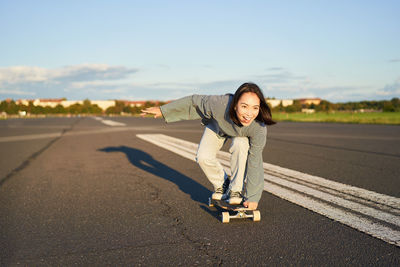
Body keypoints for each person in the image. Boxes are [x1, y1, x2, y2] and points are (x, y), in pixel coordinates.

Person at [141, 82, 276, 210]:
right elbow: (193, 101)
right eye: (244, 106)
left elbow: (255, 161)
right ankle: (223, 185)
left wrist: (253, 197)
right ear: (235, 105)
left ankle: (235, 190)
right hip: (219, 125)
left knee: (240, 144)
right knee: (203, 157)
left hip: (241, 136)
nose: (249, 113)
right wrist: (164, 110)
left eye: (255, 108)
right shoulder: (219, 104)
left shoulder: (258, 128)